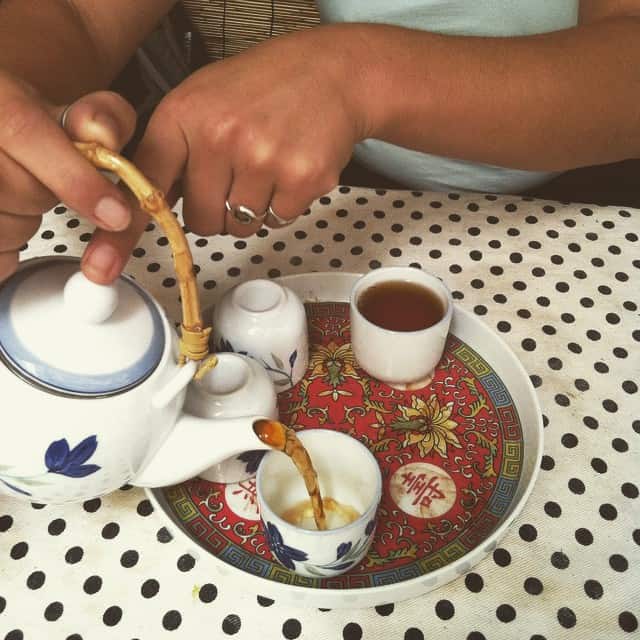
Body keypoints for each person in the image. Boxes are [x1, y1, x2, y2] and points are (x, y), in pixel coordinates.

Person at [0, 0, 638, 286]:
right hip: (333, 188)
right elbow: (75, 11)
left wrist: (360, 75)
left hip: (588, 200)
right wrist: (19, 94)